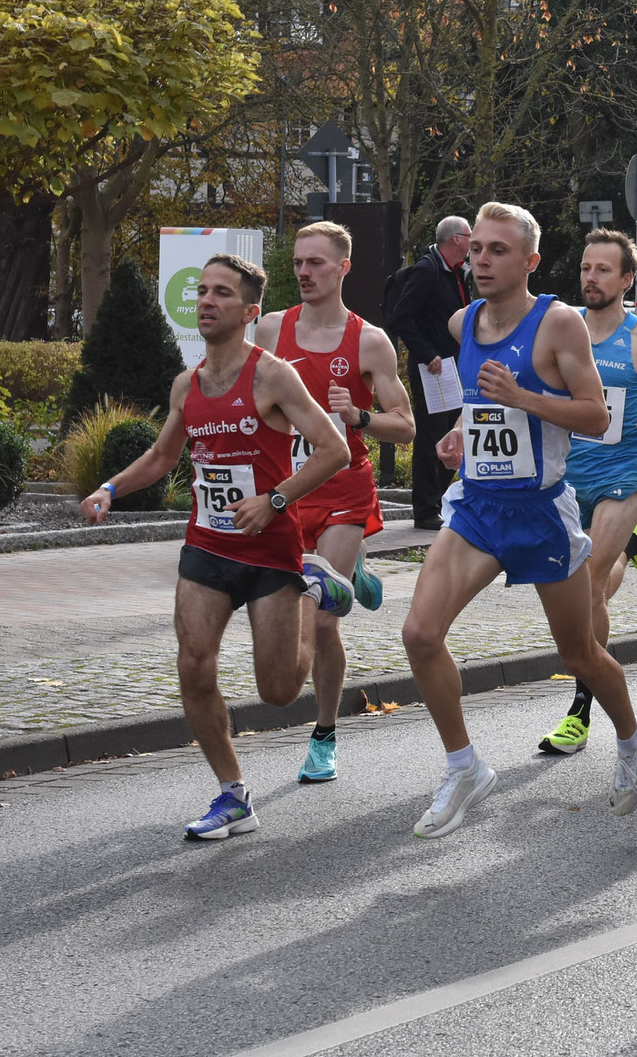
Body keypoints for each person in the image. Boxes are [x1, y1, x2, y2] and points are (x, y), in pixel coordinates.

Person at [402, 202, 637, 836]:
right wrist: (461, 434)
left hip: (541, 511)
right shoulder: (464, 323)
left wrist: (525, 399)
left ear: (529, 261)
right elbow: (478, 406)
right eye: (477, 249)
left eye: (497, 250)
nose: (482, 260)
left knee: (579, 652)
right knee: (420, 635)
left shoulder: (557, 324)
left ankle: (630, 735)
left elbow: (597, 417)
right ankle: (464, 766)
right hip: (477, 509)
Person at [81, 254, 353, 840]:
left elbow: (336, 450)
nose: (206, 301)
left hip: (271, 546)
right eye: (202, 291)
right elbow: (162, 457)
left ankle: (312, 585)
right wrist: (110, 488)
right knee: (193, 663)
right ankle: (233, 794)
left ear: (249, 311)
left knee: (279, 692)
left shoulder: (273, 376)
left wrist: (275, 501)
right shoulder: (187, 384)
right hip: (207, 546)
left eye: (221, 293)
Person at [255, 222, 415, 785]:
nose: (304, 272)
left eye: (316, 263)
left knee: (321, 621)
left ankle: (323, 735)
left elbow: (407, 427)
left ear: (343, 268)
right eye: (299, 263)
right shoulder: (273, 329)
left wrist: (359, 417)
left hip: (344, 489)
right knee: (288, 610)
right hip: (286, 492)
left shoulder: (369, 341)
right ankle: (357, 575)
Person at [539, 229, 637, 754]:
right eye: (585, 268)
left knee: (588, 582)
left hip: (624, 475)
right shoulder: (562, 330)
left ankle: (580, 711)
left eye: (603, 270)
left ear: (626, 279)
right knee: (590, 573)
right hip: (567, 479)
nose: (590, 278)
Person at [388, 216, 472, 528]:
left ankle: (436, 501)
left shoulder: (457, 273)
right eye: (469, 235)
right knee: (432, 436)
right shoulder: (428, 270)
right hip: (433, 370)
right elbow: (402, 317)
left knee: (455, 434)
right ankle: (425, 510)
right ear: (456, 240)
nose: (473, 241)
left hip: (454, 367)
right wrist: (427, 354)